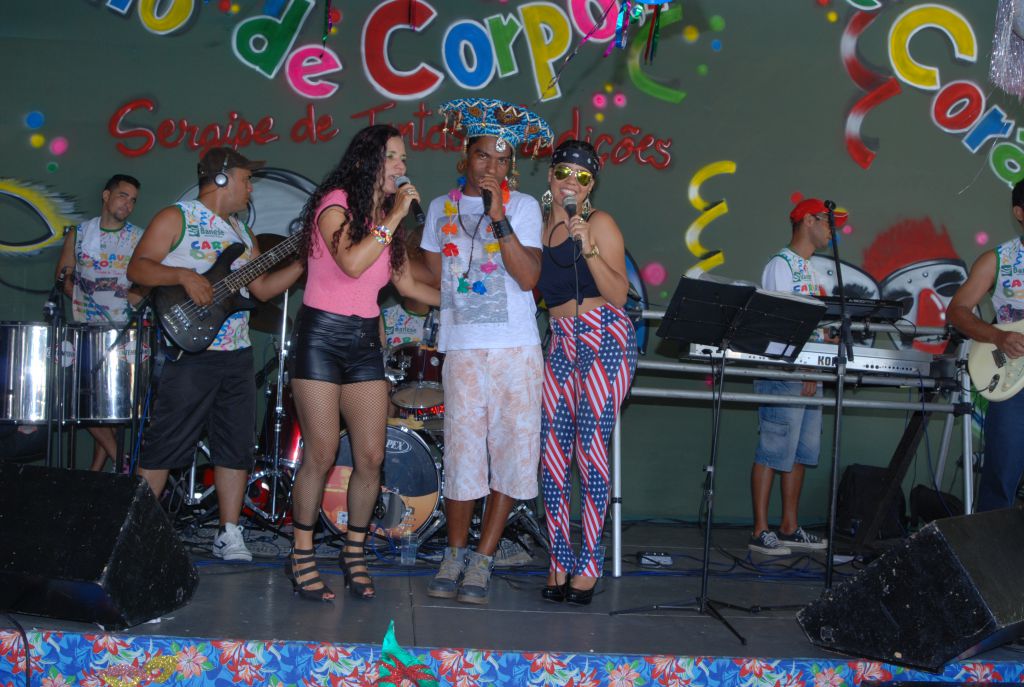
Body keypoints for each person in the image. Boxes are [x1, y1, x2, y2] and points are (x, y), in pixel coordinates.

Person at [127, 147, 304, 561]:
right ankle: (134, 533)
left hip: (236, 353)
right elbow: (138, 268)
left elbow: (261, 290)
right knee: (165, 444)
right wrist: (182, 275)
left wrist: (302, 265)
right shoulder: (177, 218)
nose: (250, 188)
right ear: (221, 179)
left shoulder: (243, 233)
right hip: (189, 353)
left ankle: (229, 532)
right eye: (246, 179)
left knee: (236, 445)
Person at [288, 124, 439, 602]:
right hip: (321, 337)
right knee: (321, 453)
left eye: (404, 159)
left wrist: (464, 303)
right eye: (392, 157)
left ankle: (353, 550)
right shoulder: (335, 205)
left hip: (363, 342)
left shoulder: (385, 224)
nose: (401, 166)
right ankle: (301, 554)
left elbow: (409, 286)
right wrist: (394, 216)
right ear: (365, 162)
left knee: (371, 456)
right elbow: (352, 263)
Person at [420, 98, 551, 605]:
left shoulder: (523, 208)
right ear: (465, 157)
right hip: (464, 349)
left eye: (501, 159)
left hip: (516, 349)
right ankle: (454, 554)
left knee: (511, 456)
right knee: (463, 454)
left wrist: (499, 220)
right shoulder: (440, 208)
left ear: (510, 166)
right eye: (483, 156)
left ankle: (483, 559)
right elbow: (436, 280)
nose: (491, 167)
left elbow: (530, 277)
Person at [536, 140, 638, 605]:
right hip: (560, 340)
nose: (570, 183)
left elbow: (618, 295)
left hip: (604, 337)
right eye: (563, 172)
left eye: (581, 176)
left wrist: (589, 248)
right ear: (550, 175)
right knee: (552, 455)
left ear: (591, 184)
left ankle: (589, 564)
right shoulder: (538, 227)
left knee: (589, 450)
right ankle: (559, 559)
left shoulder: (599, 223)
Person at [748, 198, 838, 556]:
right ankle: (760, 530)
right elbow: (780, 323)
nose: (832, 230)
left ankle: (789, 526)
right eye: (827, 222)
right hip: (785, 373)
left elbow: (813, 326)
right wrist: (804, 367)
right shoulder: (780, 265)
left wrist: (826, 344)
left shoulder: (811, 271)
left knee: (801, 451)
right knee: (773, 448)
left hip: (810, 373)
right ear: (807, 221)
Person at [54, 174, 142, 472]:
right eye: (123, 196)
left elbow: (147, 282)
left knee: (111, 407)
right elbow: (64, 276)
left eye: (133, 200)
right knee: (81, 401)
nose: (128, 204)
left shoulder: (139, 237)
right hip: (86, 330)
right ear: (106, 196)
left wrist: (131, 301)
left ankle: (98, 475)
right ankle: (123, 461)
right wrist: (80, 295)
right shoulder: (80, 234)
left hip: (123, 331)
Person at [948, 179, 1024, 512]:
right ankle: (991, 544)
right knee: (1001, 475)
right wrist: (997, 337)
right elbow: (957, 310)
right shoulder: (998, 259)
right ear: (1019, 212)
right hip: (1014, 380)